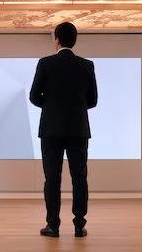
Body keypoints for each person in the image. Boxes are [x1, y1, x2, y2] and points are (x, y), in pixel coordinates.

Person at [29, 22, 98, 238]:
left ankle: (53, 226)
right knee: (79, 177)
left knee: (52, 178)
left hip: (51, 129)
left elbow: (33, 96)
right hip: (78, 129)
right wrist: (75, 107)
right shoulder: (87, 65)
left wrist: (51, 106)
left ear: (56, 40)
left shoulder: (45, 64)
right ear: (74, 41)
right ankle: (79, 226)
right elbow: (92, 100)